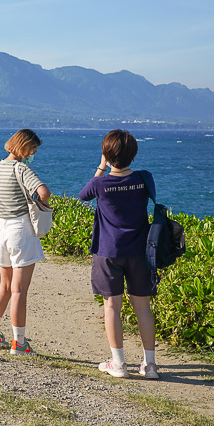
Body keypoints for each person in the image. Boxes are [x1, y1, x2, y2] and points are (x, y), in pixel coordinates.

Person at [78, 129, 159, 380]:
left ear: (106, 154)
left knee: (112, 306)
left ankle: (119, 364)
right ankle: (151, 366)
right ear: (133, 154)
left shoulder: (100, 183)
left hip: (108, 252)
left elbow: (82, 197)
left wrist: (101, 167)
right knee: (143, 308)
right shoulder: (145, 178)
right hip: (139, 251)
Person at [0, 129, 51, 356]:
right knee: (20, 290)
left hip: (0, 228)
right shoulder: (21, 168)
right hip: (20, 229)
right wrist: (39, 205)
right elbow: (44, 192)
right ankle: (19, 342)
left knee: (5, 286)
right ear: (24, 147)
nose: (32, 154)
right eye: (32, 150)